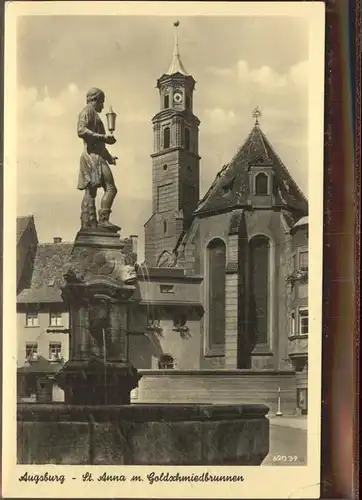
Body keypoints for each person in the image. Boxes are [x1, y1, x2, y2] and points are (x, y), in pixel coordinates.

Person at [77, 87, 118, 230]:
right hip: (94, 157)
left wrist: (110, 157)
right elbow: (81, 130)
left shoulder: (93, 114)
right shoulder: (87, 111)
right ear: (96, 100)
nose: (103, 105)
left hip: (96, 155)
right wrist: (103, 138)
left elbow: (101, 144)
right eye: (102, 102)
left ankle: (88, 222)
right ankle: (103, 220)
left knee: (91, 192)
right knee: (111, 188)